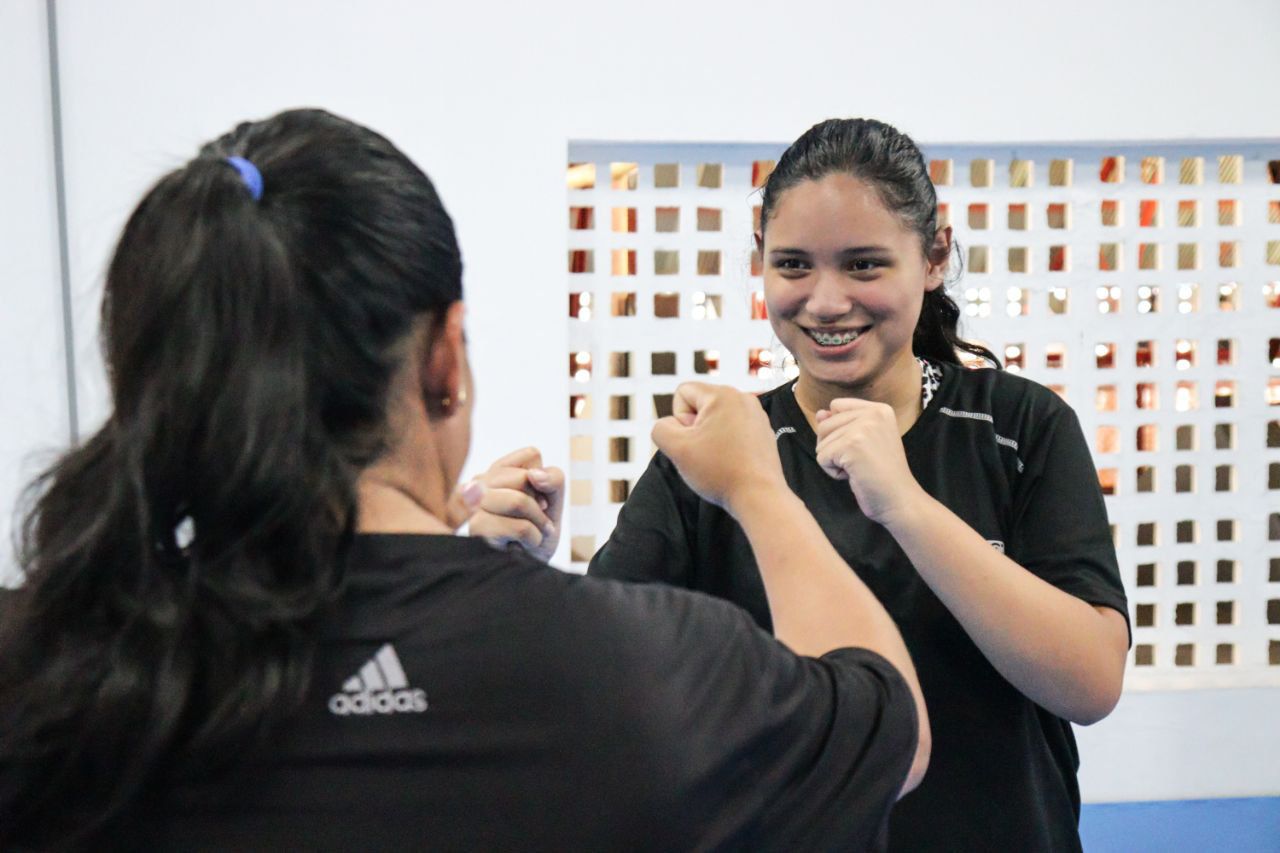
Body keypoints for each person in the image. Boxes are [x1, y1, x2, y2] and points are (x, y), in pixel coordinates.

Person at [0, 109, 929, 852]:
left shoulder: (49, 662)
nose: (827, 300)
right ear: (445, 357)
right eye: (795, 265)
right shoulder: (654, 666)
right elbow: (888, 721)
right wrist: (762, 492)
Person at [490, 118, 1129, 851]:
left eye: (863, 265)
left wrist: (908, 506)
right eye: (794, 265)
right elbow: (598, 686)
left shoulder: (1017, 425)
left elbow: (1089, 682)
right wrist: (519, 575)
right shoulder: (719, 454)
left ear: (934, 256)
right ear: (758, 261)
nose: (826, 301)